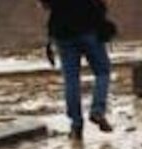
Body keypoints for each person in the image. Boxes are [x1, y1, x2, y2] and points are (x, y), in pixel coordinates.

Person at [42, 0, 115, 140]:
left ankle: (76, 124)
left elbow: (46, 4)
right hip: (89, 26)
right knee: (102, 72)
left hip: (62, 31)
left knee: (71, 80)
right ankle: (97, 111)